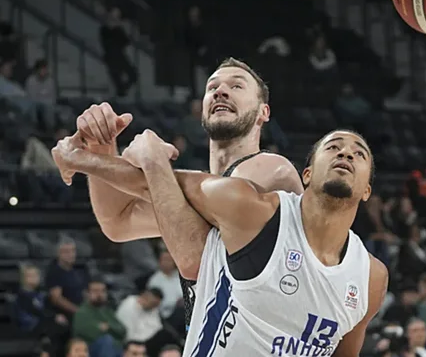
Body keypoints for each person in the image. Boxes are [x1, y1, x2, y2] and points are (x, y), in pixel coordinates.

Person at [66, 128, 388, 355]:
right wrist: (79, 159)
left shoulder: (370, 277)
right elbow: (156, 184)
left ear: (367, 192)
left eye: (358, 153)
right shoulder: (253, 212)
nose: (346, 152)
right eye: (333, 147)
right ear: (306, 174)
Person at [53, 57, 304, 329]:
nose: (220, 91)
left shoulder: (273, 169)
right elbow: (118, 222)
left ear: (262, 112)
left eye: (237, 86)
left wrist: (88, 161)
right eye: (212, 87)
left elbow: (194, 257)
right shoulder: (184, 192)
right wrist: (100, 146)